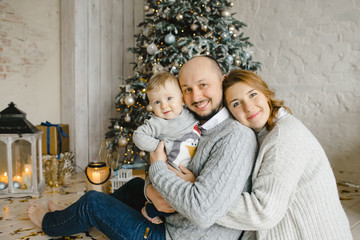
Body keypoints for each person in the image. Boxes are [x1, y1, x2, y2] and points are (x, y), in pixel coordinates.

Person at [27, 56, 258, 240]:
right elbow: (176, 168)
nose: (195, 96)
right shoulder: (205, 125)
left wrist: (156, 166)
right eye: (186, 89)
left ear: (223, 81)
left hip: (175, 235)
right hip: (174, 221)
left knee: (93, 202)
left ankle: (50, 223)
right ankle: (70, 218)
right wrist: (152, 188)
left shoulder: (235, 136)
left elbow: (202, 211)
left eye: (203, 85)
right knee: (135, 186)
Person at [213, 69, 352, 239]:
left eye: (253, 94)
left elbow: (263, 212)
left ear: (265, 93)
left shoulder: (283, 138)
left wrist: (197, 199)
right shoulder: (260, 135)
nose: (248, 107)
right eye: (236, 103)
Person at [133, 71, 201, 224]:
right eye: (156, 102)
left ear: (182, 99)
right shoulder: (157, 122)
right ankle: (148, 210)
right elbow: (138, 135)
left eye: (169, 98)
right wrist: (159, 148)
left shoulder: (192, 114)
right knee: (169, 202)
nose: (164, 105)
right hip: (169, 171)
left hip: (189, 170)